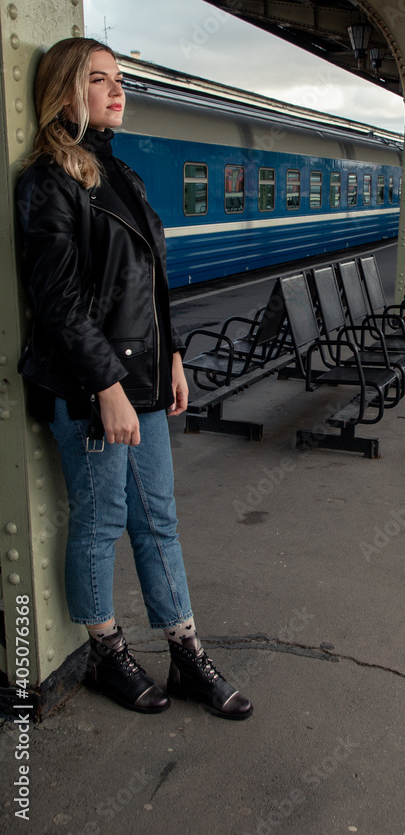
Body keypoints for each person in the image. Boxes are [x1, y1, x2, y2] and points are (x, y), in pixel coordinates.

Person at [15, 37, 253, 719]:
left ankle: (185, 652)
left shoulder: (120, 174)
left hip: (143, 379)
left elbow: (148, 282)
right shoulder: (46, 184)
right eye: (99, 80)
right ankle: (105, 651)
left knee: (159, 522)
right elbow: (57, 305)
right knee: (101, 522)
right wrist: (107, 388)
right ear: (65, 94)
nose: (117, 91)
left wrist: (172, 354)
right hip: (91, 389)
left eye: (119, 81)